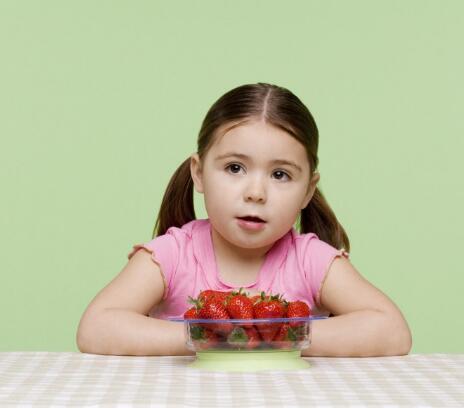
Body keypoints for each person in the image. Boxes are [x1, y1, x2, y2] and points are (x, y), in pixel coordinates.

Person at [76, 82, 412, 357]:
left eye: (280, 174)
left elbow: (392, 330)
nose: (256, 193)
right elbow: (96, 327)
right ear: (199, 173)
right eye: (235, 168)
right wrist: (206, 337)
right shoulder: (173, 255)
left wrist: (281, 336)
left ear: (308, 190)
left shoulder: (310, 260)